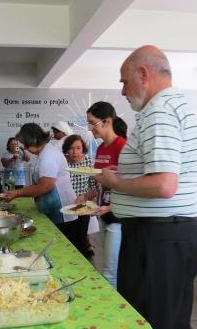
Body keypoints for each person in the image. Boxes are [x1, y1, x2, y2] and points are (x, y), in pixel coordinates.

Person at [95, 45, 197, 329]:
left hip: (158, 236)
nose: (122, 91)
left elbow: (164, 184)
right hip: (170, 232)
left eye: (124, 81)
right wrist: (126, 172)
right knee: (170, 318)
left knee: (153, 320)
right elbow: (166, 172)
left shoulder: (159, 111)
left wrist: (115, 181)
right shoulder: (176, 105)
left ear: (143, 74)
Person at [75, 101, 127, 288]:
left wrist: (110, 207)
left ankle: (115, 312)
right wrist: (87, 196)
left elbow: (131, 188)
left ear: (107, 122)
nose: (89, 128)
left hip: (118, 216)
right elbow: (101, 183)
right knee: (109, 268)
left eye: (92, 123)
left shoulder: (123, 147)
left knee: (110, 272)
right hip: (104, 214)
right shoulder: (102, 148)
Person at [4, 123, 78, 243]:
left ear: (32, 141)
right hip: (52, 209)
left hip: (62, 214)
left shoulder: (48, 156)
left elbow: (45, 186)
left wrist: (17, 193)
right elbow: (37, 183)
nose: (25, 148)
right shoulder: (44, 154)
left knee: (61, 246)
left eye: (25, 144)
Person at [62, 134, 97, 258]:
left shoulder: (88, 161)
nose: (75, 152)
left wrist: (85, 196)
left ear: (83, 149)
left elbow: (94, 188)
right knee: (68, 240)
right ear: (66, 149)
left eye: (78, 148)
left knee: (81, 239)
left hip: (83, 207)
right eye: (71, 148)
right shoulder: (62, 162)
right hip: (65, 208)